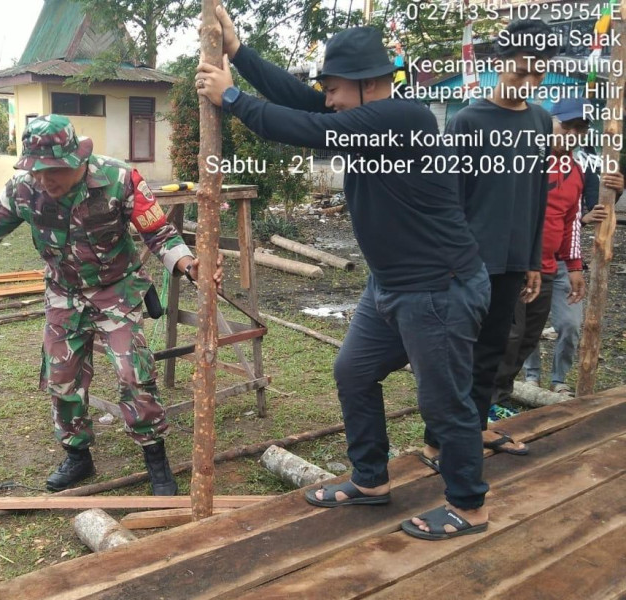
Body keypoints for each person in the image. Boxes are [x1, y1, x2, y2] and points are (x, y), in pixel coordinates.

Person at [198, 9, 491, 540]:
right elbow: (298, 101)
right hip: (392, 286)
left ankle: (469, 505)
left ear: (369, 85)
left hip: (438, 288)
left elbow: (307, 126)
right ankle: (371, 479)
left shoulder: (406, 118)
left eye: (334, 89)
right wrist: (240, 55)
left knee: (444, 401)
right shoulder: (363, 113)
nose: (327, 98)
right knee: (353, 372)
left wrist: (233, 97)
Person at [0, 114, 222, 495]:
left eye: (52, 172)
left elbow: (160, 233)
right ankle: (77, 455)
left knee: (134, 373)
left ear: (77, 160)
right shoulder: (23, 190)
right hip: (63, 292)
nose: (43, 181)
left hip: (115, 289)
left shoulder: (119, 179)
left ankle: (155, 458)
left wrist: (189, 264)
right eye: (35, 171)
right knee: (61, 377)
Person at [421, 20, 557, 463]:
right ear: (499, 64)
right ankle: (437, 441)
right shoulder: (468, 121)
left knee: (492, 350)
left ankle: (475, 430)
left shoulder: (540, 121)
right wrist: (450, 262)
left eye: (538, 74)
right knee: (454, 353)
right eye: (521, 72)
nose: (528, 82)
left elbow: (537, 194)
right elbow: (447, 200)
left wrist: (533, 260)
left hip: (513, 260)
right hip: (468, 262)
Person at [522, 140, 625, 395]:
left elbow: (586, 210)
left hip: (562, 261)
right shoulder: (526, 164)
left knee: (569, 324)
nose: (571, 134)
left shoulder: (580, 167)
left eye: (579, 129)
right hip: (528, 260)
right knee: (527, 324)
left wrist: (617, 192)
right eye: (565, 126)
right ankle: (530, 376)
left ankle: (559, 380)